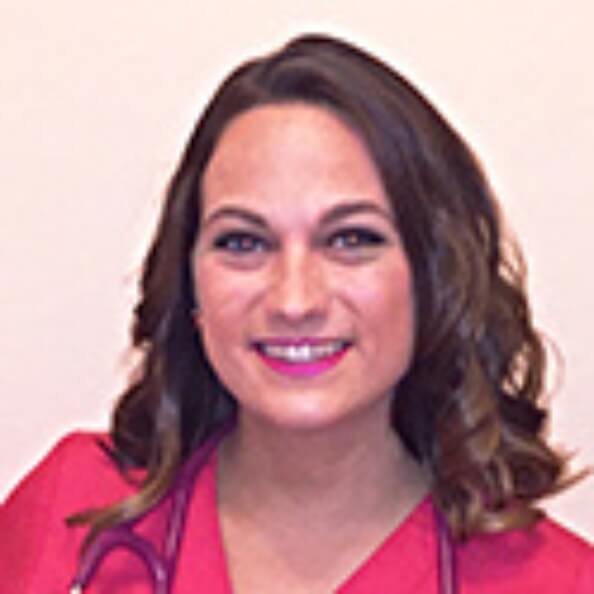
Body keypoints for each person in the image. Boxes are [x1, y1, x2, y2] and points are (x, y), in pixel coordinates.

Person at [1, 33, 592, 594]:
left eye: (352, 239)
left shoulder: (555, 579)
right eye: (243, 243)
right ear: (189, 286)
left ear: (435, 276)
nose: (294, 301)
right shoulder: (73, 507)